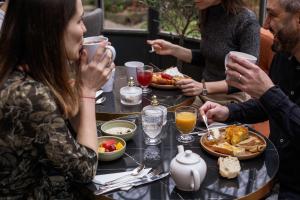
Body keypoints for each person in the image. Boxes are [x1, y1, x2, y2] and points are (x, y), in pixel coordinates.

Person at [0, 0, 114, 199]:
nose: (85, 28)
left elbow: (75, 135)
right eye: (79, 21)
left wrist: (79, 81)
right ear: (51, 28)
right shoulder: (28, 94)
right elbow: (85, 169)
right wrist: (87, 91)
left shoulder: (23, 70)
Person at [200, 0, 300, 198]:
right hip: (272, 166)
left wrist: (269, 92)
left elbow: (276, 101)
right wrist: (227, 112)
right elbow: (268, 106)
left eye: (272, 15)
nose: (265, 25)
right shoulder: (283, 55)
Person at [147, 0, 260, 106]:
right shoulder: (208, 11)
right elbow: (208, 57)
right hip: (203, 96)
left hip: (233, 102)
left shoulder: (246, 21)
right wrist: (173, 49)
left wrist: (203, 87)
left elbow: (246, 78)